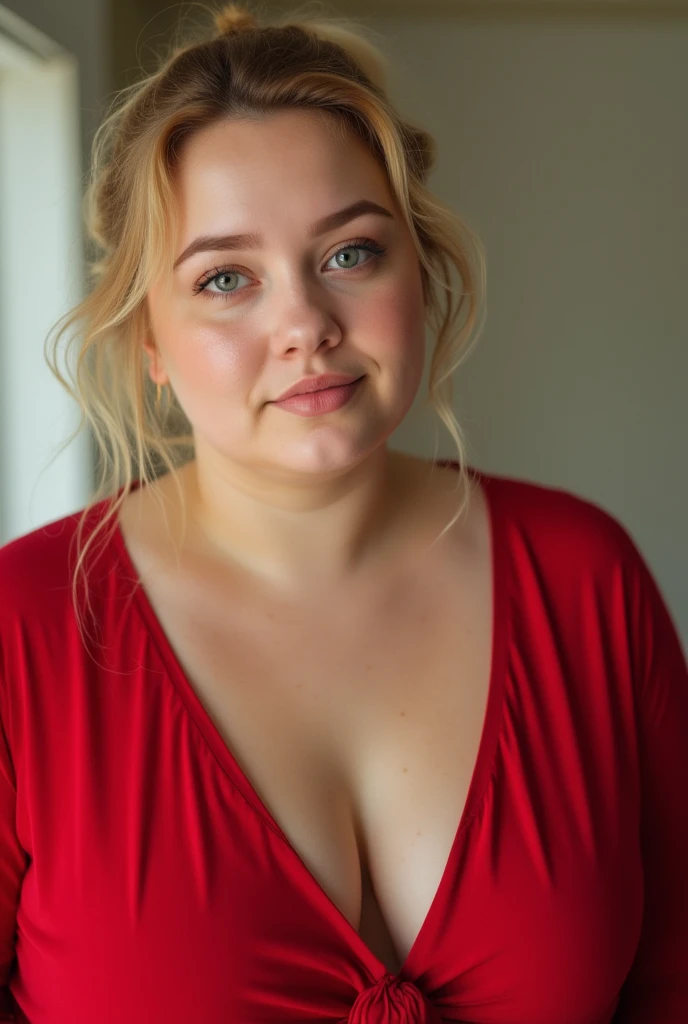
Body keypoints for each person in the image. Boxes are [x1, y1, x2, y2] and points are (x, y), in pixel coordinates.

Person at [0, 2, 686, 1021]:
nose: (305, 327)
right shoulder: (26, 625)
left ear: (421, 270)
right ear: (148, 336)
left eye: (350, 253)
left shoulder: (588, 578)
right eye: (225, 278)